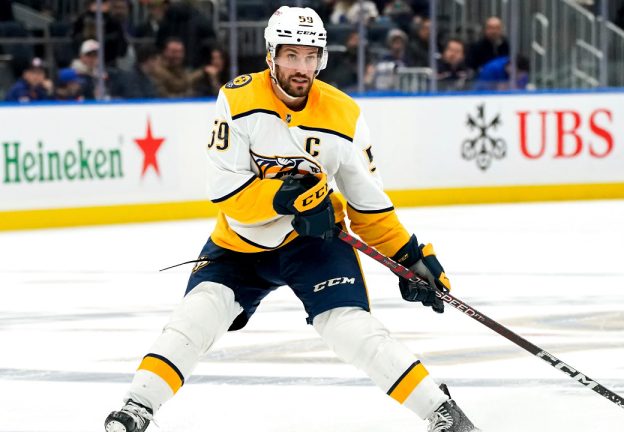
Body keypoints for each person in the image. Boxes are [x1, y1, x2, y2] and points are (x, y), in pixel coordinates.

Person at [103, 6, 480, 432]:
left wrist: (410, 256)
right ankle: (137, 407)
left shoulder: (345, 115)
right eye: (291, 55)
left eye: (310, 56)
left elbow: (367, 204)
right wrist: (287, 200)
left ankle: (441, 412)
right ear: (271, 55)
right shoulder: (237, 99)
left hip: (314, 244)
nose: (301, 68)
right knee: (198, 314)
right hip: (241, 243)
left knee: (349, 327)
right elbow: (226, 192)